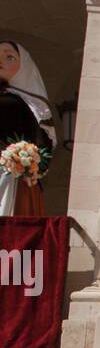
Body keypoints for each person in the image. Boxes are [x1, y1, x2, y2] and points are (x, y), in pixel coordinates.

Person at [0, 39, 55, 219]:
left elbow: (41, 144)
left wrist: (24, 159)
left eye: (9, 57)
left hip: (10, 178)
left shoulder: (29, 105)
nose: (1, 61)